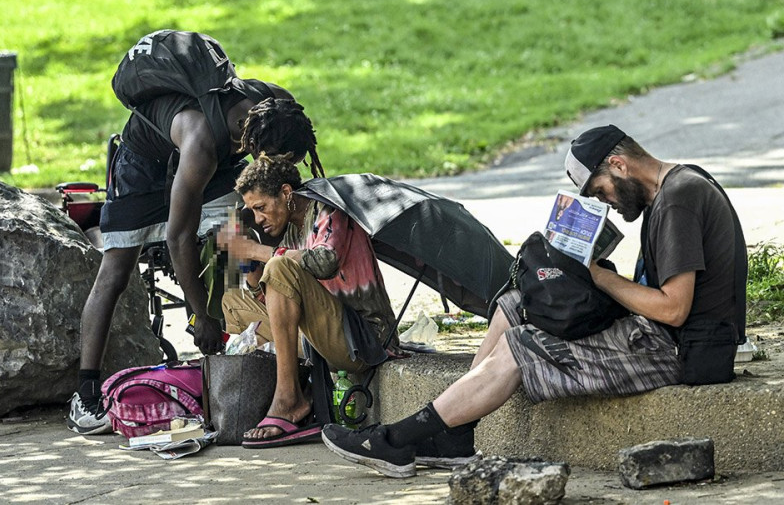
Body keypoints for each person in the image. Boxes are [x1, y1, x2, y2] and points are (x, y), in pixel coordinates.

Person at [322, 125, 747, 478]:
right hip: (658, 333)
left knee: (520, 344)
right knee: (515, 302)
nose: (605, 203)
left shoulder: (678, 200)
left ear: (618, 164)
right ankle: (455, 434)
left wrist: (598, 277)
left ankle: (397, 440)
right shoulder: (672, 190)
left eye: (600, 191)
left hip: (679, 349)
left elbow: (673, 309)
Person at [66, 85, 324, 434]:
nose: (275, 168)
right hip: (142, 168)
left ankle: (233, 345)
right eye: (274, 160)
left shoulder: (274, 106)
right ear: (255, 145)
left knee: (241, 219)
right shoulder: (202, 139)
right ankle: (85, 393)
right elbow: (178, 236)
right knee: (116, 271)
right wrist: (199, 313)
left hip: (213, 164)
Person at [217, 155, 399, 448]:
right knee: (233, 300)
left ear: (287, 194)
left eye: (261, 208)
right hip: (319, 336)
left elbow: (323, 262)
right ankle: (249, 397)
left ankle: (288, 398)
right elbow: (279, 301)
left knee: (278, 266)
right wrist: (248, 267)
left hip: (363, 337)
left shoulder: (329, 210)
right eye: (252, 210)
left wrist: (258, 250)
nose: (258, 218)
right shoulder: (287, 227)